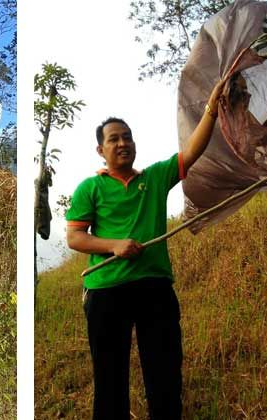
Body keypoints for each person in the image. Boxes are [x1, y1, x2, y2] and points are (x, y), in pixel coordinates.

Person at [65, 80, 225, 420]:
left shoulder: (154, 178)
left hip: (155, 289)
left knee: (165, 373)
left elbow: (193, 151)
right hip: (106, 291)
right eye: (114, 139)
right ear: (100, 150)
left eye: (127, 137)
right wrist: (114, 246)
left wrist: (213, 107)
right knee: (110, 380)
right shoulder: (89, 188)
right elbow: (75, 238)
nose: (122, 143)